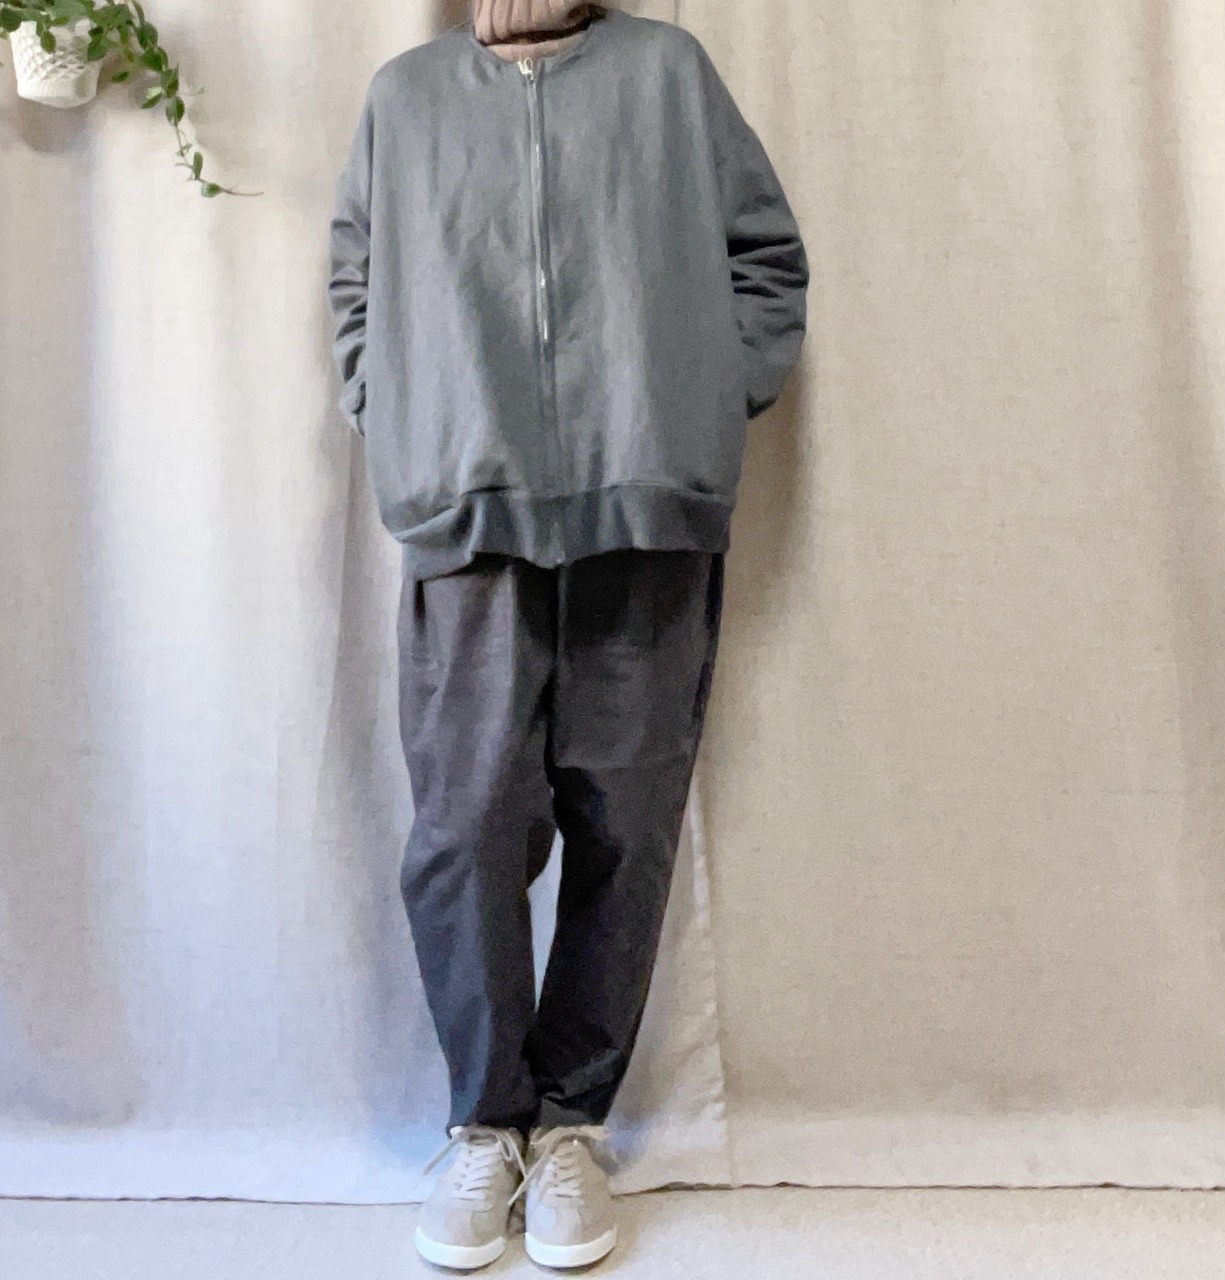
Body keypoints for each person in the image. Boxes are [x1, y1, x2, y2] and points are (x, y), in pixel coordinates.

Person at [326, 0, 808, 1270]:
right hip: (464, 513)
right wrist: (400, 413)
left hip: (644, 512)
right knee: (466, 825)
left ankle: (570, 1124)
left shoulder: (667, 74)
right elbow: (355, 280)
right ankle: (485, 1121)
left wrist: (698, 407)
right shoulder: (405, 99)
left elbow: (763, 255)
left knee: (623, 821)